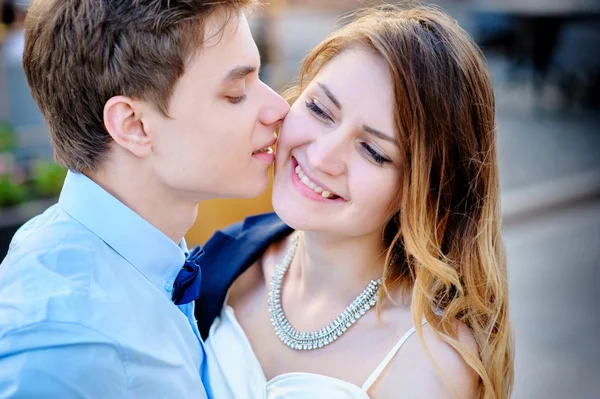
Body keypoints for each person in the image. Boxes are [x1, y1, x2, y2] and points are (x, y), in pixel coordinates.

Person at [196, 4, 514, 399]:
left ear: (424, 192)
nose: (322, 156)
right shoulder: (226, 258)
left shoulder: (432, 365)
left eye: (374, 151)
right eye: (319, 109)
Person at [0, 0, 289, 397]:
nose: (278, 107)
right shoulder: (65, 345)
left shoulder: (142, 262)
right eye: (236, 92)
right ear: (133, 125)